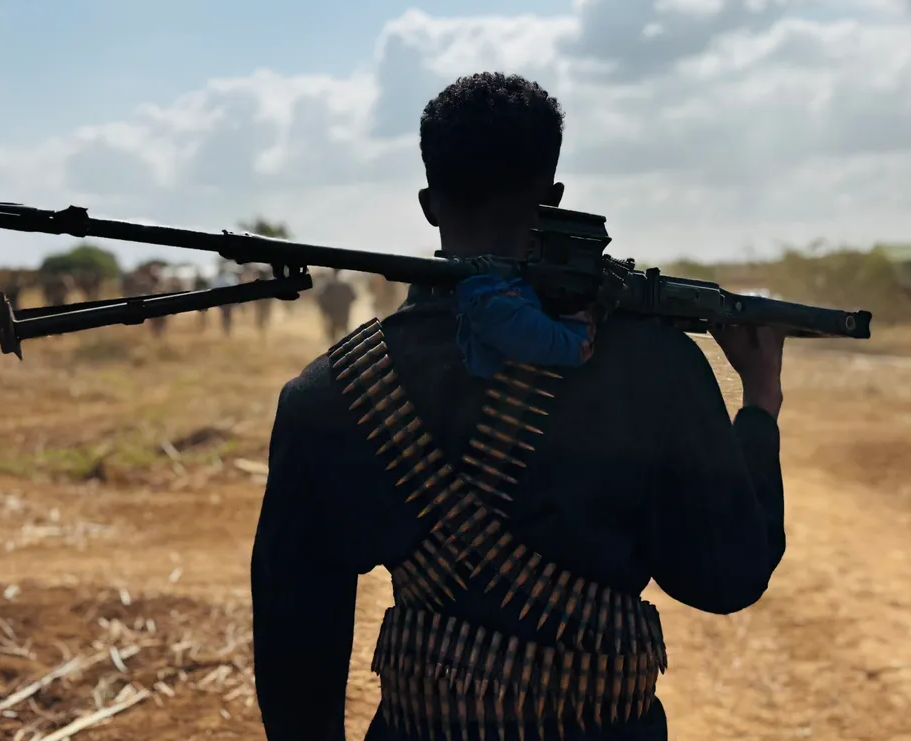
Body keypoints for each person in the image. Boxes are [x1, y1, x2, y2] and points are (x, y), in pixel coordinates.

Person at [251, 73, 786, 741]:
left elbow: (295, 651)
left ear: (428, 204)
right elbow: (727, 576)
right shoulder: (656, 364)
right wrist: (760, 403)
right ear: (553, 200)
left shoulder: (331, 391)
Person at [314, 269, 357, 343]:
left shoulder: (329, 286)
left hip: (333, 316)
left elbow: (320, 298)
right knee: (345, 334)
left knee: (333, 337)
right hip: (343, 315)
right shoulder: (345, 286)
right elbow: (354, 297)